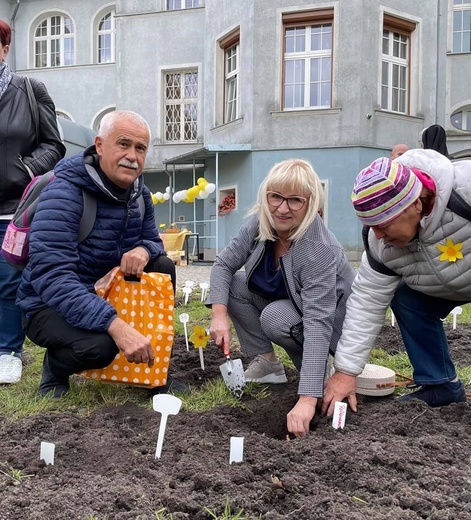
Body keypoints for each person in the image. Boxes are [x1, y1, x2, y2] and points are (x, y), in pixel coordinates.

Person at [16, 110, 179, 398]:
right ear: (100, 145)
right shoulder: (64, 193)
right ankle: (55, 368)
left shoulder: (139, 193)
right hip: (48, 304)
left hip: (104, 290)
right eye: (123, 144)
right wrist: (114, 324)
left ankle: (152, 369)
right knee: (101, 347)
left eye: (140, 148)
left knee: (161, 266)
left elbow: (155, 241)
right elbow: (52, 277)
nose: (132, 156)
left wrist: (143, 249)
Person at [207, 158, 355, 437]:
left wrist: (307, 400)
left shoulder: (318, 250)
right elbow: (223, 264)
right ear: (266, 196)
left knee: (274, 317)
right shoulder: (260, 223)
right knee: (235, 286)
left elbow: (318, 323)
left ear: (311, 203)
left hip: (331, 325)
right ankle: (268, 365)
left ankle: (318, 374)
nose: (282, 208)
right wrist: (218, 314)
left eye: (295, 200)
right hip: (290, 304)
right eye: (275, 197)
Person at [322, 150, 469, 417]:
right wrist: (346, 372)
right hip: (441, 286)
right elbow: (367, 303)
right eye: (371, 226)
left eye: (384, 224)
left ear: (414, 204)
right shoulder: (379, 243)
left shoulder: (464, 192)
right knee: (404, 298)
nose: (379, 235)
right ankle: (440, 385)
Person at [0, 20, 65, 385]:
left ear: (5, 48)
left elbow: (54, 145)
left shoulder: (29, 90)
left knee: (8, 280)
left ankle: (9, 351)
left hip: (14, 209)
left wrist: (24, 170)